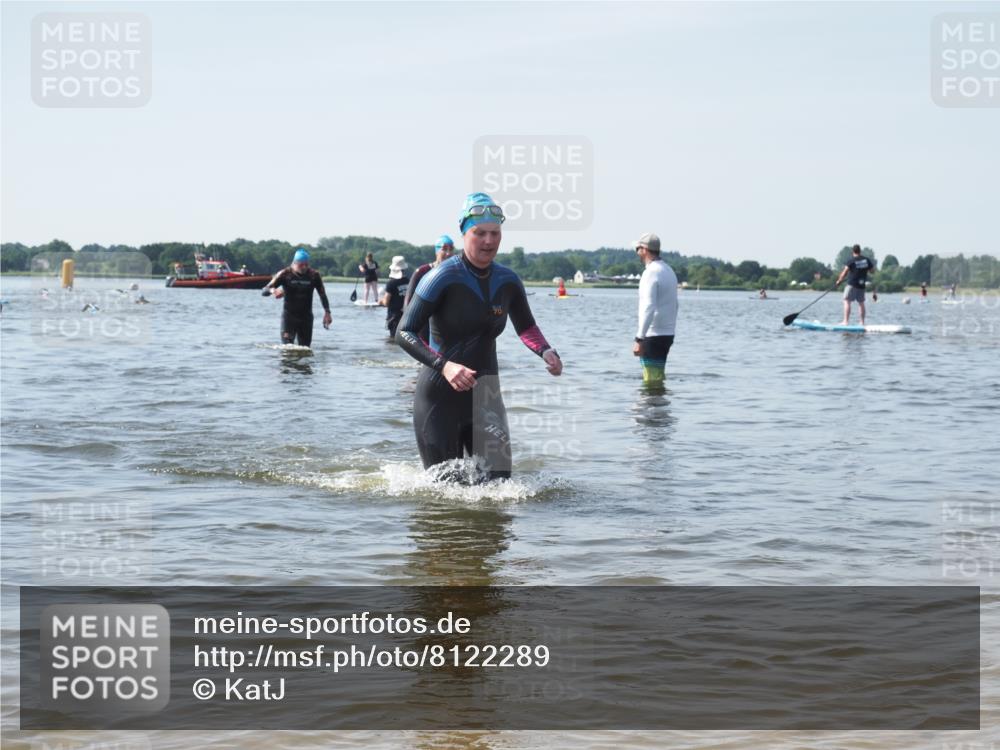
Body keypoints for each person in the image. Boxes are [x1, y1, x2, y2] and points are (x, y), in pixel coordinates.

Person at [396, 192, 563, 480]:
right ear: (464, 233)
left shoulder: (508, 281)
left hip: (486, 395)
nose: (489, 241)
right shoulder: (441, 277)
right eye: (480, 233)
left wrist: (546, 351)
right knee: (445, 493)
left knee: (500, 484)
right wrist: (444, 366)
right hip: (439, 395)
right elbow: (404, 332)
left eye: (495, 233)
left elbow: (526, 327)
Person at [633, 232, 679, 385]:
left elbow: (648, 306)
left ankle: (653, 406)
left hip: (653, 335)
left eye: (637, 249)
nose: (637, 253)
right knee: (657, 377)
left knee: (650, 381)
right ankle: (661, 407)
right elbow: (676, 304)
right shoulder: (668, 270)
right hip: (667, 334)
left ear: (645, 249)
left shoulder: (650, 273)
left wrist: (639, 338)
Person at [262, 249, 331, 347]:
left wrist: (327, 313)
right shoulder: (285, 274)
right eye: (301, 264)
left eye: (306, 264)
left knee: (305, 350)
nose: (304, 267)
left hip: (306, 318)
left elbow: (322, 295)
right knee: (287, 349)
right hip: (289, 318)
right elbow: (265, 289)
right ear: (294, 263)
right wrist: (273, 291)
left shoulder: (314, 275)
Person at [404, 235, 455, 310]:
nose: (448, 253)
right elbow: (408, 302)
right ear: (437, 251)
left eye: (451, 249)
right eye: (444, 249)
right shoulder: (422, 271)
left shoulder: (455, 273)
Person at [835, 244, 876, 325]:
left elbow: (845, 272)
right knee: (861, 303)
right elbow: (872, 271)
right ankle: (862, 322)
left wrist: (839, 281)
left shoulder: (851, 260)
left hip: (852, 284)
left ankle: (845, 322)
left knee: (847, 301)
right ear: (860, 251)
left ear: (853, 251)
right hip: (861, 285)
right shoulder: (866, 260)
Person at [380, 255, 410, 339]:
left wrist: (380, 301)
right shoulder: (408, 281)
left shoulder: (391, 283)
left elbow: (386, 302)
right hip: (406, 317)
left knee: (393, 340)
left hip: (394, 317)